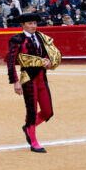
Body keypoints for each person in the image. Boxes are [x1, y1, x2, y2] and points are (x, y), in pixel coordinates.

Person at [5, 12, 60, 153]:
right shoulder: (17, 39)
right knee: (32, 110)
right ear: (22, 25)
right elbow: (10, 62)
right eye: (30, 23)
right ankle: (34, 142)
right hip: (28, 78)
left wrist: (49, 61)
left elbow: (47, 54)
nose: (33, 26)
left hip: (42, 77)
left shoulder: (41, 38)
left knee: (48, 111)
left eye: (35, 23)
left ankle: (28, 127)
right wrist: (15, 82)